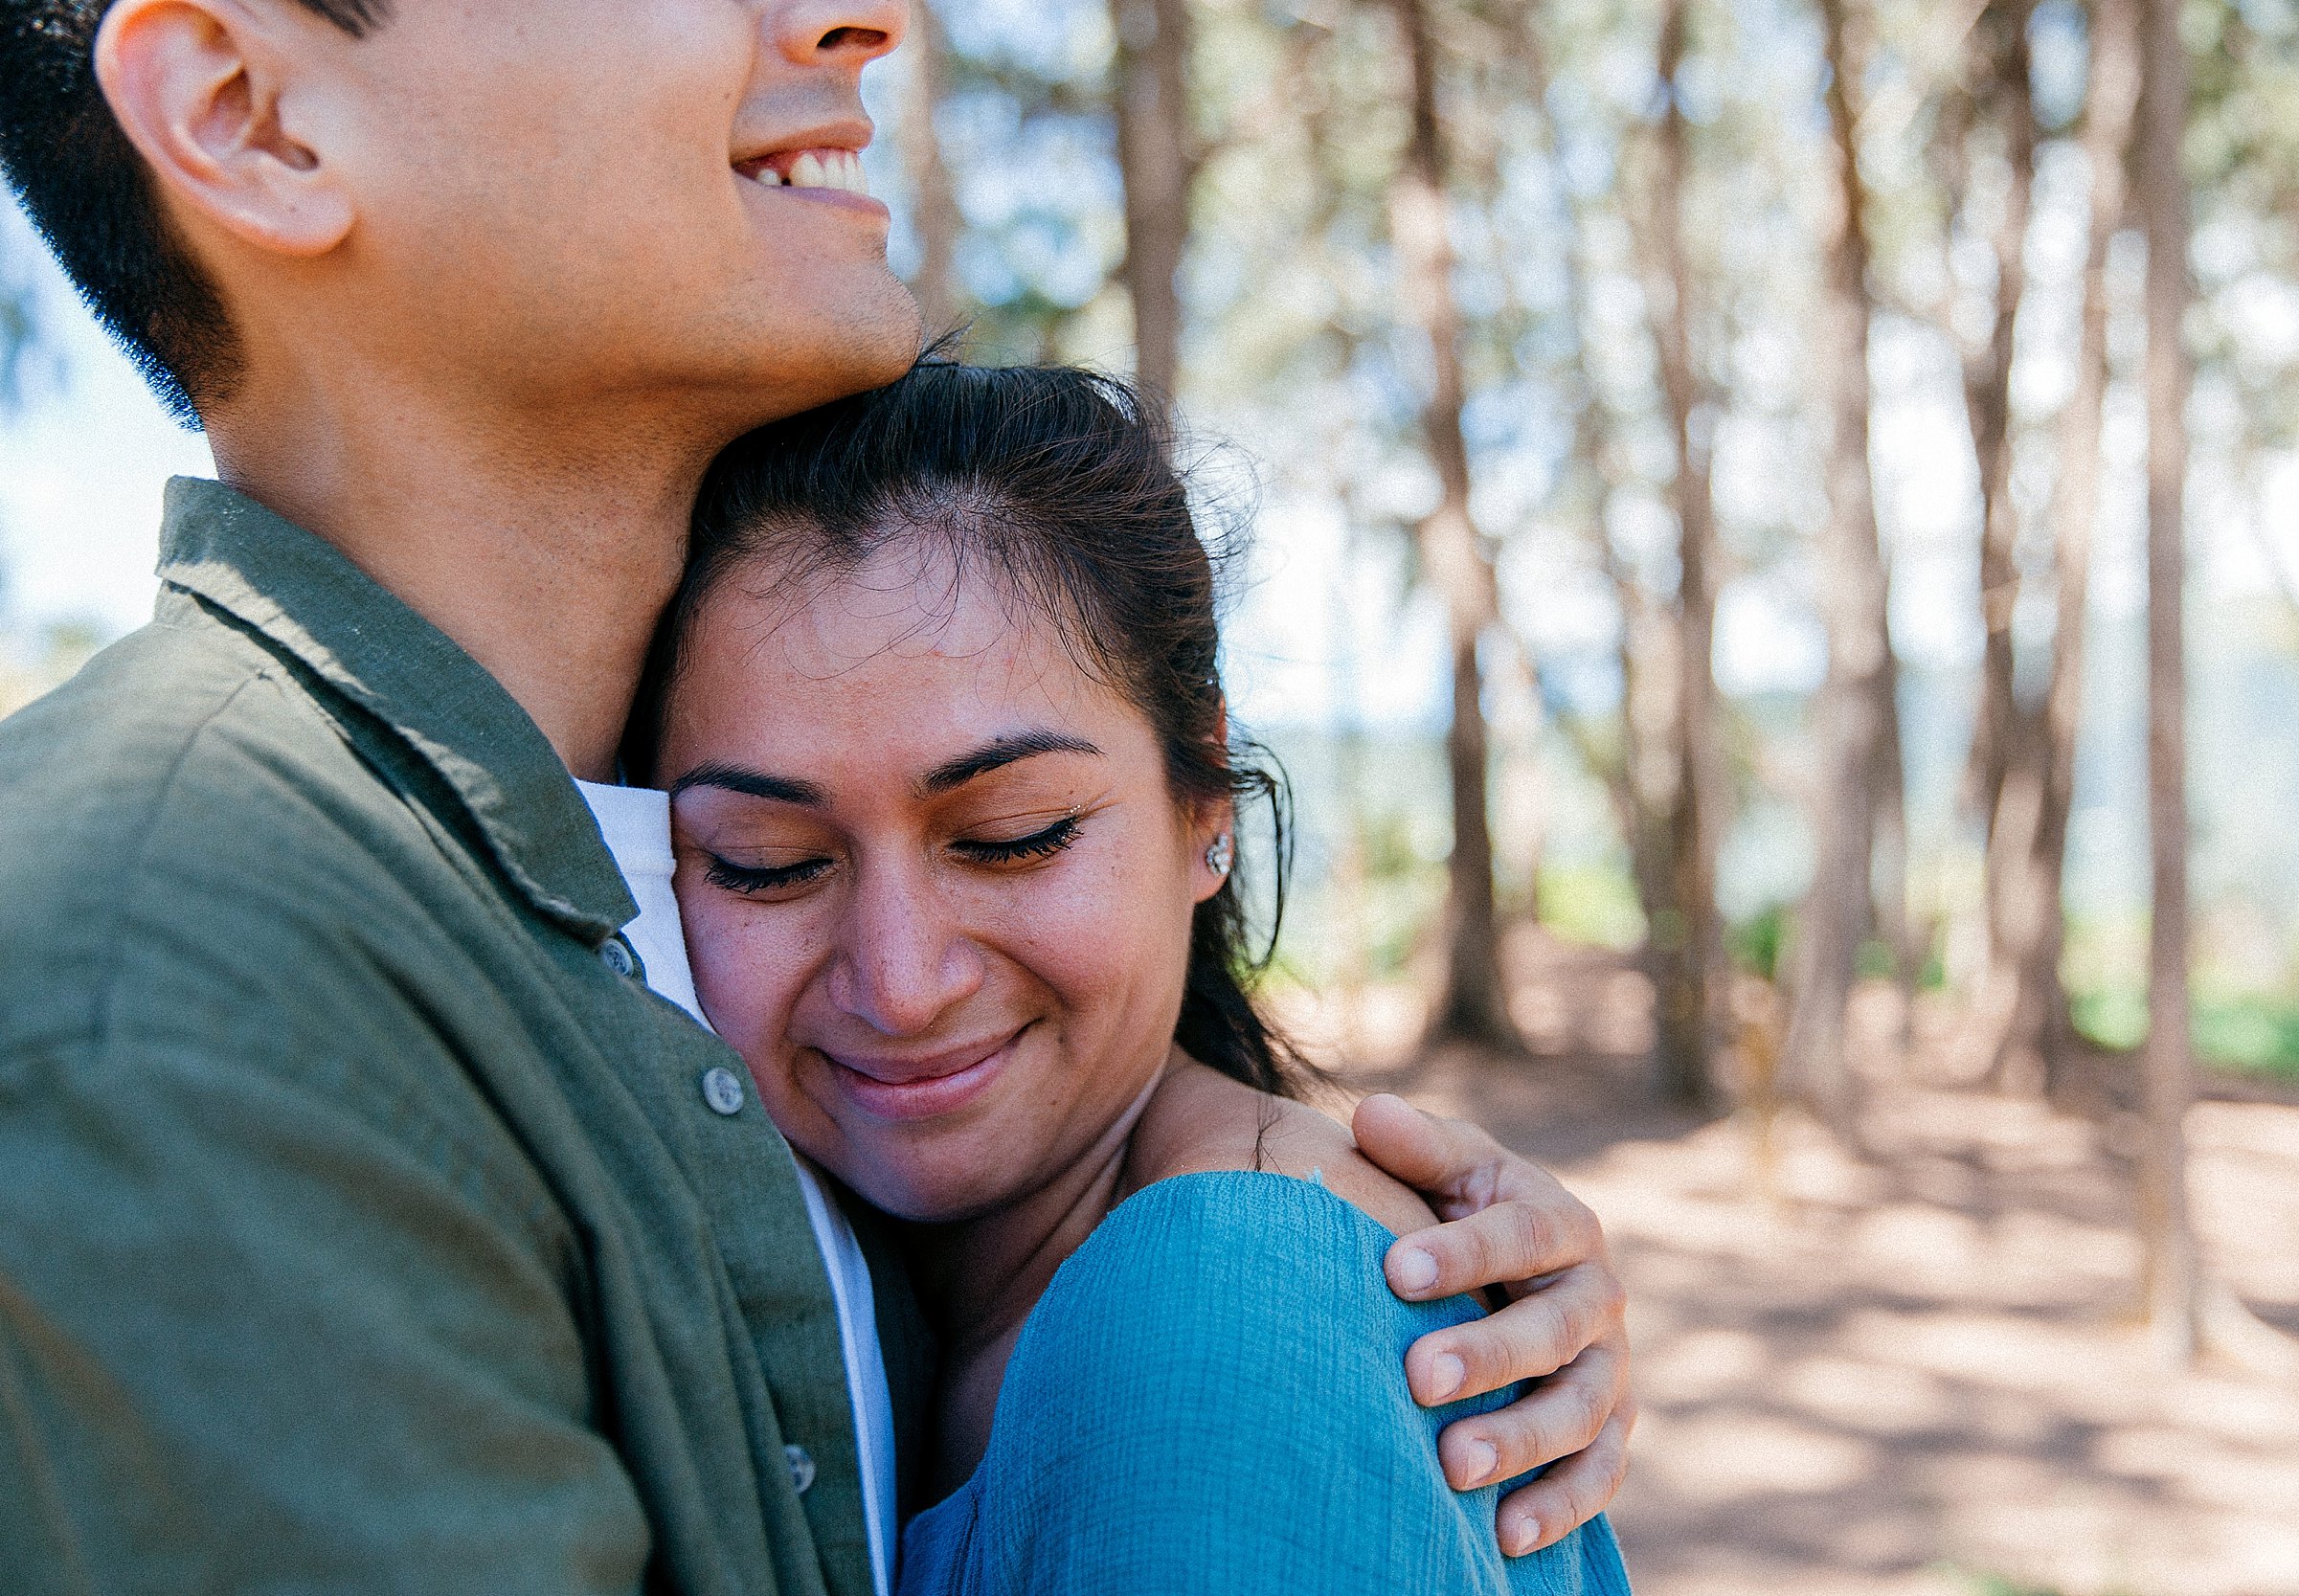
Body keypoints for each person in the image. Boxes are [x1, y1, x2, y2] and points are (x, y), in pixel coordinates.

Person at [0, 3, 1632, 1594]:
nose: (865, 18)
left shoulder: (617, 872)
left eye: (1009, 835)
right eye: (771, 861)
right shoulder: (178, 993)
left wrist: (1302, 1288)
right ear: (247, 111)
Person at [640, 357, 1634, 1593]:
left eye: (1013, 837)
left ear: (1200, 794)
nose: (897, 985)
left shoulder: (1217, 1320)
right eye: (768, 864)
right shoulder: (885, 1303)